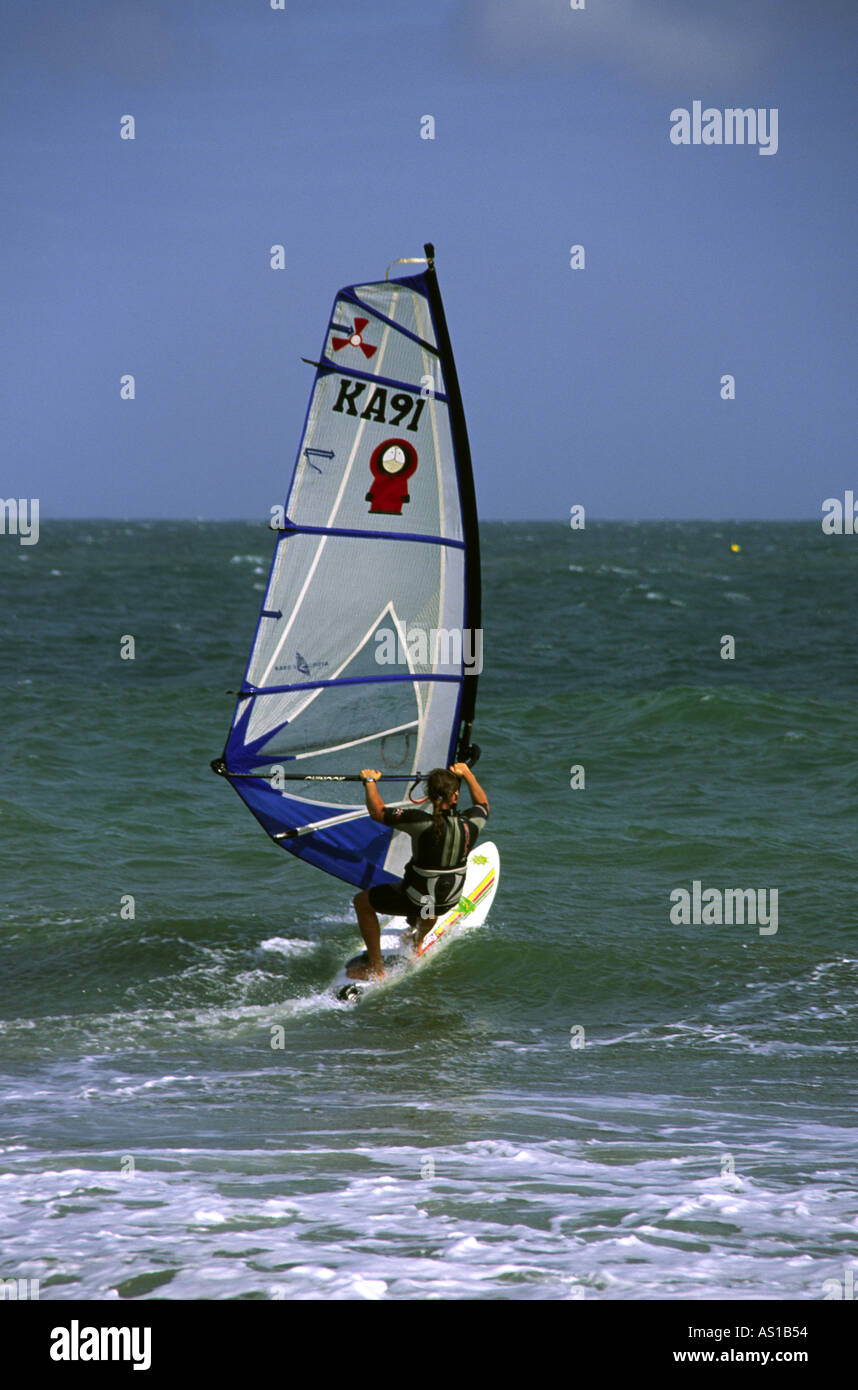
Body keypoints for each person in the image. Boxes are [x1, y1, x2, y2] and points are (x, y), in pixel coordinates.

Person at [349, 762, 490, 980]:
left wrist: (370, 782)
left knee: (362, 902)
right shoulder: (471, 823)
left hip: (417, 899)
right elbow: (482, 803)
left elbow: (377, 812)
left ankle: (376, 969)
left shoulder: (419, 821)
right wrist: (467, 773)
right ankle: (419, 941)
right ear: (455, 796)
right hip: (448, 901)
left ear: (429, 796)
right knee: (430, 903)